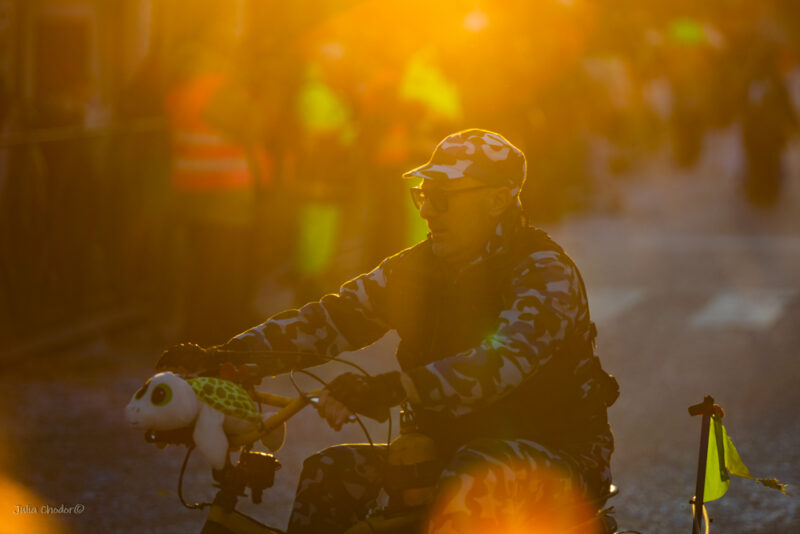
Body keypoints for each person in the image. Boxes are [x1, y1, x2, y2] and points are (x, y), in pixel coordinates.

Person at [158, 129, 619, 533]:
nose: (427, 212)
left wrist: (395, 387)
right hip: (447, 447)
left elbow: (501, 362)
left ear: (497, 199)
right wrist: (227, 357)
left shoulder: (543, 272)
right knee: (329, 471)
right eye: (423, 194)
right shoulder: (420, 267)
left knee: (474, 474)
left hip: (558, 455)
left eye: (442, 197)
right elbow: (333, 319)